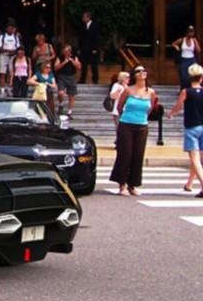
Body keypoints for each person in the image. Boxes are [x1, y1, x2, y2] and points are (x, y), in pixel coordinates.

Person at [110, 65, 158, 196]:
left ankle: (133, 184)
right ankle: (122, 184)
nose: (142, 73)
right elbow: (119, 107)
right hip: (126, 124)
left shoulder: (151, 92)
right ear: (134, 75)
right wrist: (126, 117)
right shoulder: (128, 90)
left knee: (138, 155)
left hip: (142, 126)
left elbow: (150, 109)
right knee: (125, 154)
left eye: (144, 70)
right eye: (138, 71)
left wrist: (141, 118)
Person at [167, 64, 203, 197]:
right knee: (198, 159)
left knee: (194, 158)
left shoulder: (186, 92)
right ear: (201, 78)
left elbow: (178, 106)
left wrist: (171, 113)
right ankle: (189, 183)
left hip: (191, 126)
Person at [54, 45, 81, 117]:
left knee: (71, 95)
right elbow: (55, 68)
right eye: (64, 51)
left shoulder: (74, 57)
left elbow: (79, 67)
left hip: (71, 77)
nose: (65, 53)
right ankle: (61, 104)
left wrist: (73, 62)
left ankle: (69, 111)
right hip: (62, 77)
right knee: (60, 93)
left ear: (70, 51)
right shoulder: (60, 58)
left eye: (66, 51)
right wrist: (64, 62)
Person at [0, 19, 21, 96]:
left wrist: (14, 52)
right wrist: (7, 51)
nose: (10, 29)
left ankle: (9, 89)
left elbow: (18, 48)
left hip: (13, 57)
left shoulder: (16, 37)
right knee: (3, 73)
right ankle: (2, 90)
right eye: (9, 28)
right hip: (4, 56)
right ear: (6, 29)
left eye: (12, 28)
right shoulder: (2, 36)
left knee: (11, 73)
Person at [79, 11, 100, 84]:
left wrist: (95, 48)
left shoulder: (95, 26)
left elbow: (97, 38)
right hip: (84, 48)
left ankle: (95, 79)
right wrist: (80, 48)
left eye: (84, 17)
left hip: (92, 49)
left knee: (94, 65)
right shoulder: (82, 26)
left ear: (88, 17)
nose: (83, 18)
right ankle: (82, 79)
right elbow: (81, 38)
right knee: (84, 64)